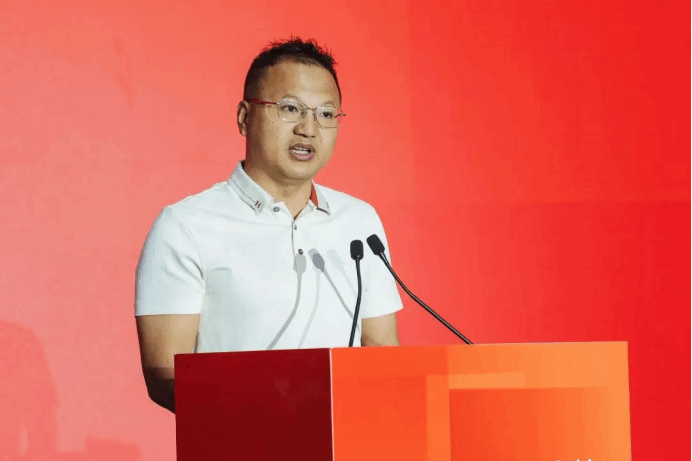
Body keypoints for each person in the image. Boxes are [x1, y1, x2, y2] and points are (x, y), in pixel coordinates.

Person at [134, 38, 404, 413]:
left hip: (347, 437)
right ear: (245, 117)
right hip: (242, 438)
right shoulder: (185, 226)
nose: (309, 128)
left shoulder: (359, 222)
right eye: (290, 109)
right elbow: (165, 375)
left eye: (326, 114)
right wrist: (270, 415)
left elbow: (382, 352)